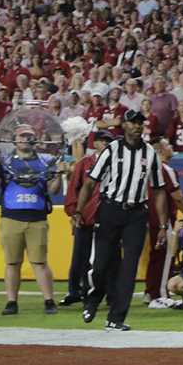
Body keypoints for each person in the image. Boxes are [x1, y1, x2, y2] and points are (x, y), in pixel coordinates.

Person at [74, 109, 169, 331]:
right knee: (100, 265)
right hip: (110, 210)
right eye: (131, 123)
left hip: (136, 214)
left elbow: (159, 190)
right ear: (123, 126)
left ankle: (116, 317)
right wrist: (79, 211)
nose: (136, 126)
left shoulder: (150, 154)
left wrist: (163, 225)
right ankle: (93, 299)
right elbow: (90, 183)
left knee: (129, 266)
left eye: (139, 123)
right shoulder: (111, 150)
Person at [0, 124, 64, 316]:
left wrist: (59, 175)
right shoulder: (5, 161)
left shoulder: (46, 161)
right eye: (22, 136)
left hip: (36, 218)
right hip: (11, 217)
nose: (25, 139)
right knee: (12, 262)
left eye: (29, 136)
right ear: (15, 139)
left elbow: (53, 190)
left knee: (39, 262)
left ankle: (49, 300)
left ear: (35, 139)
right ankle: (11, 302)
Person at [61, 130, 114, 306]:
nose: (106, 143)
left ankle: (104, 293)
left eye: (108, 141)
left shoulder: (116, 164)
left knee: (105, 258)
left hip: (107, 218)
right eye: (102, 140)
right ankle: (76, 291)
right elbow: (73, 189)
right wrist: (73, 212)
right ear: (94, 143)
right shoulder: (84, 164)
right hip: (86, 217)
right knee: (80, 257)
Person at [144, 137, 183, 307]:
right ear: (161, 150)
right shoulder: (165, 169)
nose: (171, 147)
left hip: (147, 218)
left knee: (155, 256)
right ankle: (160, 294)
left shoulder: (147, 168)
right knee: (165, 257)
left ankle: (150, 291)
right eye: (168, 145)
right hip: (163, 219)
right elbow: (177, 197)